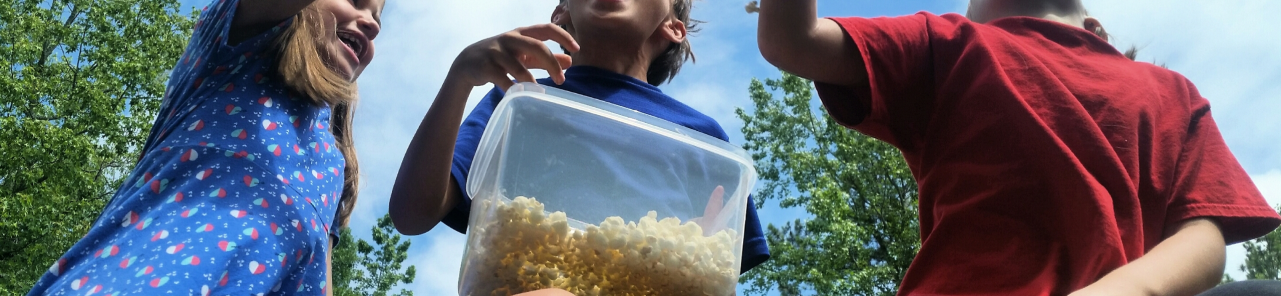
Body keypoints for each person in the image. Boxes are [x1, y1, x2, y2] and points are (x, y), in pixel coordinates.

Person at [755, 0, 1281, 295]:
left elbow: (1205, 238)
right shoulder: (947, 43)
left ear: (1097, 28)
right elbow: (791, 42)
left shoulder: (1174, 93)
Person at [388, 0, 769, 289]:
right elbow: (412, 214)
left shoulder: (704, 138)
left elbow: (719, 278)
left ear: (673, 27)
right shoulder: (522, 99)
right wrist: (461, 74)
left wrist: (694, 249)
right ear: (562, 13)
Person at [27, 0, 383, 294]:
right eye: (355, 2)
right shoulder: (232, 54)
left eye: (377, 16)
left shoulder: (333, 166)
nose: (372, 24)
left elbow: (317, 279)